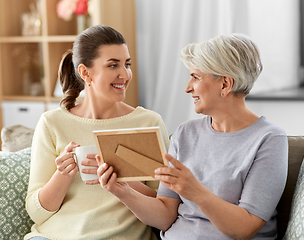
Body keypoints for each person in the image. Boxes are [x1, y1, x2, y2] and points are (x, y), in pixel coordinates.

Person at [97, 33, 288, 240]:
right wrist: (124, 192)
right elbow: (165, 217)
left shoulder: (269, 139)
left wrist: (194, 191)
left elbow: (245, 228)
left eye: (196, 77)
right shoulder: (185, 133)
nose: (188, 88)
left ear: (225, 84)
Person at [25, 25, 169, 240]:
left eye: (127, 64)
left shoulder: (149, 122)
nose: (125, 74)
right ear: (85, 72)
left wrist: (124, 180)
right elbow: (37, 213)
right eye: (113, 65)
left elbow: (164, 207)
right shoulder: (52, 122)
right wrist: (63, 175)